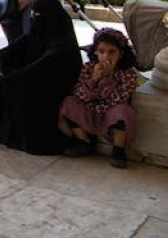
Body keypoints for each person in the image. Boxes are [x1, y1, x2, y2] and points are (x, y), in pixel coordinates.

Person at [0, 0, 83, 155]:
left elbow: (37, 71)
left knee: (15, 86)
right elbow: (8, 52)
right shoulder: (35, 34)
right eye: (33, 16)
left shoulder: (63, 47)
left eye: (39, 17)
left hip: (52, 93)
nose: (35, 21)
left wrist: (6, 78)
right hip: (33, 80)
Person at [59, 28, 138, 169]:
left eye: (111, 52)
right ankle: (83, 142)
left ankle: (118, 149)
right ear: (95, 52)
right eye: (101, 51)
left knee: (123, 111)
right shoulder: (89, 68)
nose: (106, 56)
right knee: (69, 103)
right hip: (91, 109)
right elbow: (80, 95)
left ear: (121, 54)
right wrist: (94, 79)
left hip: (111, 112)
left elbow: (117, 99)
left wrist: (107, 78)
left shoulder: (128, 73)